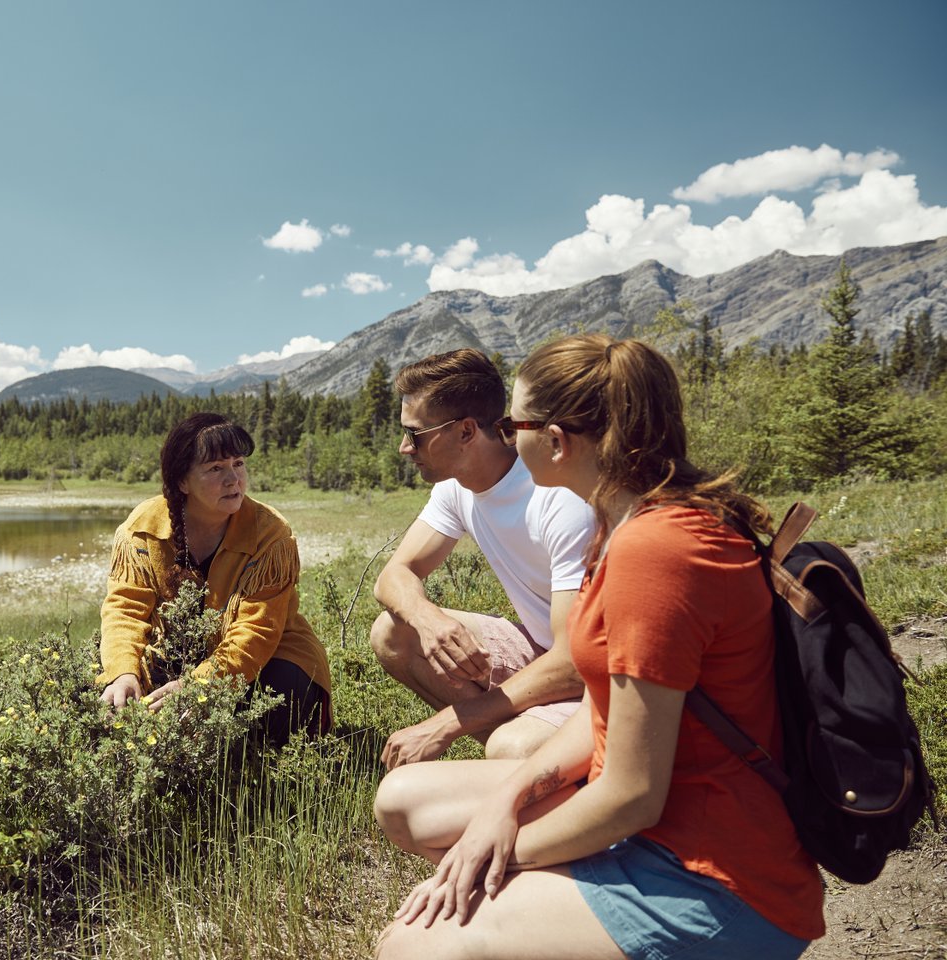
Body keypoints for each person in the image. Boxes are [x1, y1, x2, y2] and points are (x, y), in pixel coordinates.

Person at [372, 334, 824, 960]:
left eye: (514, 425)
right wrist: (510, 796)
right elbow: (603, 709)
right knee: (405, 802)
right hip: (661, 820)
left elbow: (633, 794)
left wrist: (493, 851)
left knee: (412, 946)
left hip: (714, 877)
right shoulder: (629, 524)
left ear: (557, 442)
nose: (507, 438)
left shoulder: (653, 554)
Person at [372, 349, 594, 765]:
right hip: (547, 650)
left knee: (512, 747)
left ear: (466, 431)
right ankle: (531, 753)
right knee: (393, 632)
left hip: (597, 671)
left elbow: (576, 660)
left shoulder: (558, 498)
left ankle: (539, 758)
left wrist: (449, 722)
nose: (404, 448)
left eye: (415, 434)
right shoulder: (455, 488)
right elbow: (393, 575)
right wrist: (428, 619)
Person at [98, 412, 331, 744]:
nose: (233, 479)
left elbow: (256, 633)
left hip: (267, 658)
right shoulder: (143, 527)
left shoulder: (270, 533)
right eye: (215, 468)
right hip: (176, 654)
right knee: (104, 694)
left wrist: (199, 686)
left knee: (279, 702)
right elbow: (125, 610)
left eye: (239, 464)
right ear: (182, 482)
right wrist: (123, 673)